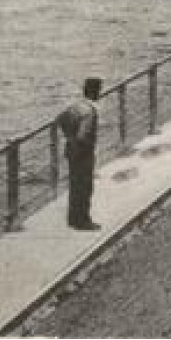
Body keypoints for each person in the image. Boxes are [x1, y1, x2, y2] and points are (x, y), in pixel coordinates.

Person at [56, 78, 103, 230]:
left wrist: (69, 136)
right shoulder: (90, 111)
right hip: (83, 153)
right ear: (95, 92)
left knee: (74, 186)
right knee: (85, 187)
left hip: (71, 151)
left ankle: (73, 218)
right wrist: (84, 147)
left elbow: (60, 119)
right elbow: (84, 135)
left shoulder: (76, 106)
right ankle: (83, 220)